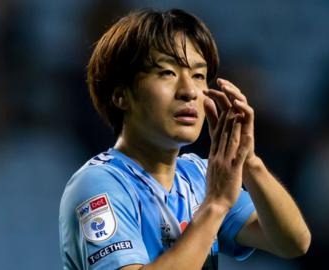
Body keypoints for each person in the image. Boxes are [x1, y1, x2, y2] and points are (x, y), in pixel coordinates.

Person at [59, 9, 311, 270]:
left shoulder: (199, 176)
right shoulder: (100, 183)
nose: (189, 91)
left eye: (199, 75)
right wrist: (215, 205)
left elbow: (294, 242)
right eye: (167, 73)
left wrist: (248, 161)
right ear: (121, 94)